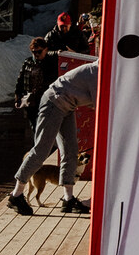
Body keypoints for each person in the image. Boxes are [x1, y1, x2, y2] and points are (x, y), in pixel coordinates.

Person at [9, 59, 97, 216]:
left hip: (68, 106)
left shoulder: (101, 71)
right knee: (42, 150)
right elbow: (102, 105)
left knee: (71, 151)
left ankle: (68, 199)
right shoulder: (97, 73)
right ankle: (16, 195)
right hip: (53, 102)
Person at [14, 38, 54, 134]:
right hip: (31, 100)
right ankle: (37, 142)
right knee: (34, 126)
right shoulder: (28, 62)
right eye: (34, 52)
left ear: (45, 50)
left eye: (39, 52)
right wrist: (18, 97)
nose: (36, 54)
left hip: (45, 99)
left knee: (44, 126)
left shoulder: (51, 63)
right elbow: (20, 81)